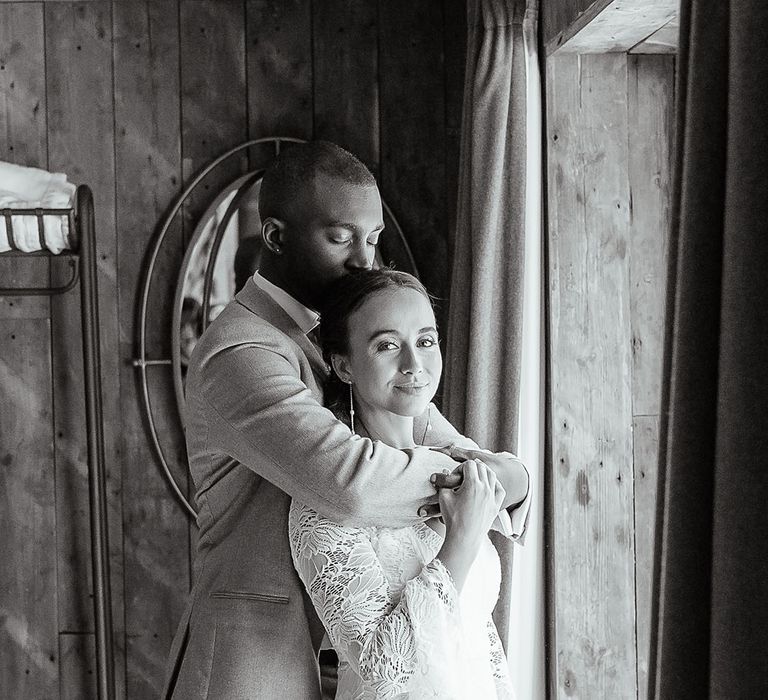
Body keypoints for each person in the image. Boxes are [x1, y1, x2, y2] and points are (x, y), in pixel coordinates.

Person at [161, 141, 529, 699]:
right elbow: (350, 483)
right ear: (277, 237)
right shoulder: (239, 354)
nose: (365, 260)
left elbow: (464, 453)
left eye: (373, 239)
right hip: (255, 664)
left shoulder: (357, 346)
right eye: (341, 238)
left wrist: (498, 480)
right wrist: (473, 488)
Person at [289, 269, 519, 699]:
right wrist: (463, 540)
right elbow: (382, 669)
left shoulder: (449, 464)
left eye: (426, 341)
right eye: (388, 345)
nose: (414, 365)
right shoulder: (327, 501)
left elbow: (477, 638)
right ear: (344, 365)